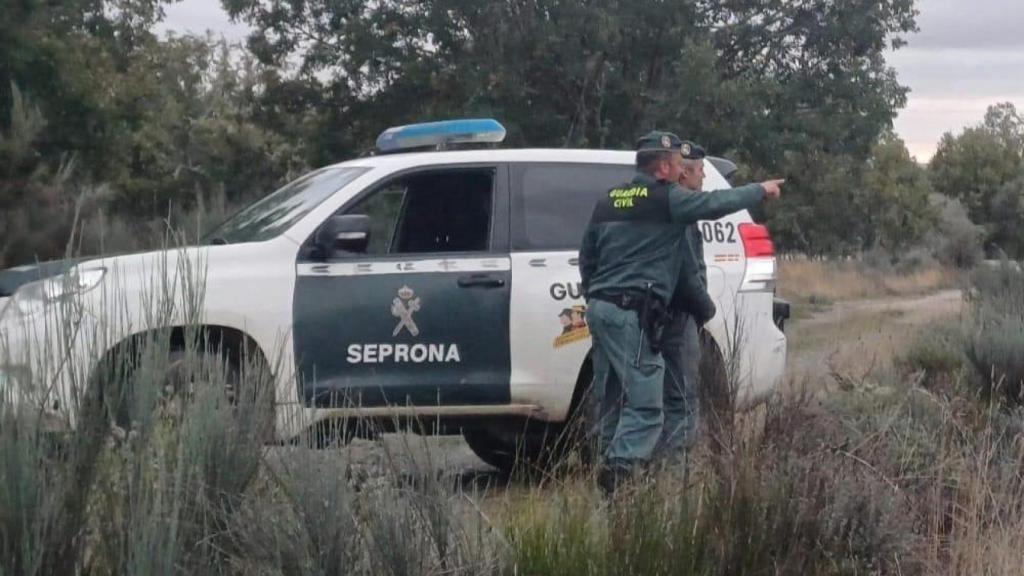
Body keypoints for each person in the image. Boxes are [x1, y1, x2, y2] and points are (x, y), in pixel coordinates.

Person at [579, 131, 783, 493]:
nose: (680, 172)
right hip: (632, 312)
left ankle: (609, 472)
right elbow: (715, 204)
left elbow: (587, 257)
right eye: (676, 164)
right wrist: (759, 190)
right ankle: (619, 472)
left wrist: (597, 294)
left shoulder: (608, 200)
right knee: (646, 406)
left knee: (611, 398)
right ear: (663, 167)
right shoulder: (666, 200)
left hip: (600, 308)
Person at [654, 140, 760, 466]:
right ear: (683, 174)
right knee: (682, 395)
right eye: (700, 171)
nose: (702, 178)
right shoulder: (680, 212)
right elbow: (688, 273)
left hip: (656, 312)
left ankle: (659, 465)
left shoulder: (666, 207)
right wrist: (706, 310)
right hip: (677, 313)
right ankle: (676, 468)